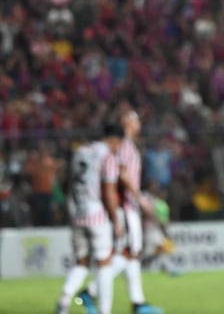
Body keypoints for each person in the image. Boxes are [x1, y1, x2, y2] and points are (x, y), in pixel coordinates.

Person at [80, 110, 164, 314]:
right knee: (127, 253)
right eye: (134, 120)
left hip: (128, 207)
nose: (138, 123)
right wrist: (140, 198)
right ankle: (89, 292)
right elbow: (123, 175)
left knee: (133, 254)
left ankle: (138, 303)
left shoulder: (127, 145)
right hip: (126, 206)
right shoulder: (124, 146)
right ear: (126, 123)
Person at [55, 123, 123, 314]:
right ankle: (104, 310)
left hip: (76, 212)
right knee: (104, 263)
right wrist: (116, 219)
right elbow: (109, 191)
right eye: (119, 144)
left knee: (82, 263)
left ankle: (65, 299)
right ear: (114, 140)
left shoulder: (80, 152)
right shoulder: (108, 156)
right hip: (96, 214)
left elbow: (67, 181)